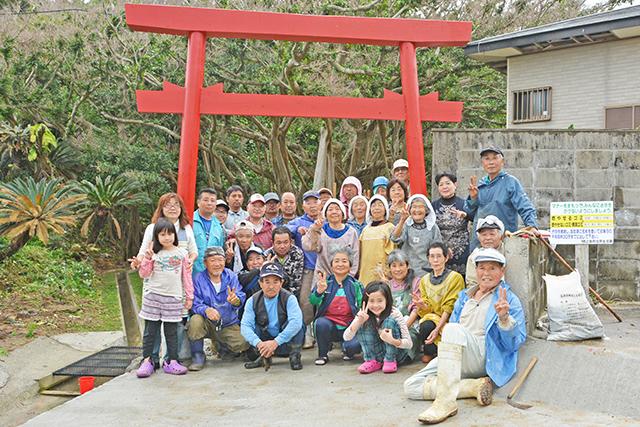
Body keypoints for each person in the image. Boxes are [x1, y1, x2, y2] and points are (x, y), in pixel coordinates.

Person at [404, 248, 527, 424]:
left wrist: (504, 318)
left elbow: (513, 344)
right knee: (411, 387)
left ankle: (446, 403)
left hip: (483, 356)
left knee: (452, 328)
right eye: (482, 268)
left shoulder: (508, 300)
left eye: (492, 268)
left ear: (502, 271)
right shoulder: (464, 297)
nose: (486, 273)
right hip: (456, 356)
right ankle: (472, 387)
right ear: (475, 270)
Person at [129, 193, 198, 368]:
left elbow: (193, 250)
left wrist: (190, 260)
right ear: (161, 209)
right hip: (155, 285)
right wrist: (140, 261)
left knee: (174, 326)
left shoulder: (186, 228)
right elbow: (144, 250)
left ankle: (171, 359)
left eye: (176, 205)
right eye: (168, 205)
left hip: (177, 287)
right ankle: (151, 359)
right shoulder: (152, 228)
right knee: (152, 326)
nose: (172, 208)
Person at [136, 218, 193, 377]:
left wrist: (189, 296)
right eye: (162, 234)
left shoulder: (182, 252)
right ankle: (147, 361)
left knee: (172, 332)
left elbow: (186, 277)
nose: (167, 238)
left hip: (173, 298)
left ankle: (172, 361)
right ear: (157, 236)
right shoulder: (153, 252)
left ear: (175, 235)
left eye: (170, 234)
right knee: (150, 332)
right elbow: (144, 274)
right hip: (153, 297)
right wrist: (146, 259)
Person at [187, 247, 253, 371]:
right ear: (205, 263)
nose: (217, 264)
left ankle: (222, 346)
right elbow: (195, 304)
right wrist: (207, 310)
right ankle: (198, 355)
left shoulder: (231, 276)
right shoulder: (198, 279)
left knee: (244, 342)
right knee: (195, 321)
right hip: (206, 322)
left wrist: (236, 300)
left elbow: (240, 296)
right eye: (212, 260)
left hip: (226, 323)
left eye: (220, 260)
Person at [465, 145, 538, 251]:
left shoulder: (511, 182)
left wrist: (532, 226)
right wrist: (473, 197)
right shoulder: (479, 185)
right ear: (482, 163)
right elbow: (468, 211)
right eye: (487, 159)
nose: (491, 162)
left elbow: (525, 206)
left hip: (503, 239)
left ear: (502, 161)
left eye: (495, 158)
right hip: (481, 241)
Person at [241, 262, 304, 371]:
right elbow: (245, 326)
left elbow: (296, 323)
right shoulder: (252, 301)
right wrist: (259, 344)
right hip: (265, 344)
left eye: (275, 282)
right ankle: (263, 356)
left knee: (298, 324)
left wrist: (276, 342)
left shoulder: (289, 298)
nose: (271, 286)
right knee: (252, 325)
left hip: (285, 343)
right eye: (267, 282)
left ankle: (294, 356)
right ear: (260, 283)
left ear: (281, 283)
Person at [411, 241, 465, 365]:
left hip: (449, 319)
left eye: (439, 256)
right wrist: (422, 305)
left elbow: (450, 306)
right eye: (432, 256)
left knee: (445, 328)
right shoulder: (424, 280)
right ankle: (430, 351)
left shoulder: (455, 278)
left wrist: (438, 329)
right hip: (433, 318)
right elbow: (427, 309)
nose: (435, 260)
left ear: (446, 258)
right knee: (426, 325)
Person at [309, 245, 363, 365]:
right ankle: (323, 354)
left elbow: (361, 307)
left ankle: (347, 350)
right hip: (330, 326)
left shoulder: (356, 285)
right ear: (331, 264)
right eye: (336, 261)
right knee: (320, 323)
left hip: (350, 327)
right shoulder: (325, 283)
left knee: (354, 347)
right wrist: (319, 291)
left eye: (344, 261)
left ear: (350, 265)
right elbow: (313, 301)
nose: (340, 264)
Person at [343, 281, 412, 374]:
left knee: (389, 321)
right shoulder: (363, 313)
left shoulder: (394, 313)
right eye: (371, 301)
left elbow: (409, 344)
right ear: (366, 301)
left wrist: (392, 340)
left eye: (380, 301)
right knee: (363, 323)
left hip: (396, 354)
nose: (375, 305)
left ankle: (390, 360)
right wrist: (359, 321)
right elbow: (346, 337)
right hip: (377, 354)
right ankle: (371, 361)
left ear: (387, 300)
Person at [287, 190, 321, 348]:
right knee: (305, 301)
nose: (312, 205)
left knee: (325, 300)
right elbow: (284, 230)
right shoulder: (298, 221)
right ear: (303, 206)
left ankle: (322, 334)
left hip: (325, 267)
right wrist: (297, 230)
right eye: (309, 202)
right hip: (307, 268)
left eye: (315, 202)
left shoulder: (325, 220)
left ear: (321, 204)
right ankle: (307, 332)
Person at [376, 250, 422, 362]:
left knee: (411, 338)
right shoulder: (388, 284)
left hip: (410, 325)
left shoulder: (416, 282)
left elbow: (416, 310)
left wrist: (403, 327)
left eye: (401, 265)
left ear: (408, 265)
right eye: (394, 266)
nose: (397, 269)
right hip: (391, 324)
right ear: (389, 268)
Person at [302, 198, 360, 287]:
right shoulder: (320, 229)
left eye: (337, 209)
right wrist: (315, 229)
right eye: (330, 209)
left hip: (344, 278)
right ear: (325, 214)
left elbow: (355, 257)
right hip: (322, 276)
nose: (334, 212)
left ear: (343, 213)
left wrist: (348, 276)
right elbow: (308, 246)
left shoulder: (351, 232)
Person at [431, 171, 473, 276]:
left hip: (461, 254)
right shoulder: (433, 206)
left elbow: (476, 218)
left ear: (455, 185)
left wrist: (466, 215)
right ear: (438, 187)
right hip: (441, 255)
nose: (445, 187)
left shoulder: (465, 204)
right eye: (441, 184)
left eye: (448, 183)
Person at [391, 194, 442, 276]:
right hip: (408, 271)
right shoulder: (406, 224)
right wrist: (402, 219)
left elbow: (438, 248)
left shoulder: (433, 227)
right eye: (414, 207)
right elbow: (395, 238)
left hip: (427, 271)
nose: (417, 210)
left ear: (426, 210)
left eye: (421, 207)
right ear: (410, 209)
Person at [358, 195, 396, 286]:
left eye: (380, 205)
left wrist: (388, 274)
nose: (376, 208)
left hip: (382, 276)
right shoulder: (365, 229)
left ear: (385, 209)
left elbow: (393, 253)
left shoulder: (390, 228)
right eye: (373, 205)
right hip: (364, 275)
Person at [465, 216, 505, 289]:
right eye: (484, 235)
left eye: (492, 234)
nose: (488, 238)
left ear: (501, 237)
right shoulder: (474, 256)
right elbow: (472, 284)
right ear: (479, 239)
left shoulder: (509, 253)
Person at [192, 188, 225, 275]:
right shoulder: (189, 221)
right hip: (191, 273)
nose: (209, 203)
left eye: (212, 200)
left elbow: (219, 250)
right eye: (206, 200)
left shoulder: (218, 225)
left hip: (210, 275)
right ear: (198, 202)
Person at [264, 227, 304, 297]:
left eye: (286, 242)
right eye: (278, 243)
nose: (282, 246)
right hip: (271, 293)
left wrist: (287, 299)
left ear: (291, 242)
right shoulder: (267, 255)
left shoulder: (297, 253)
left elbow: (296, 282)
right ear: (272, 243)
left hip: (291, 294)